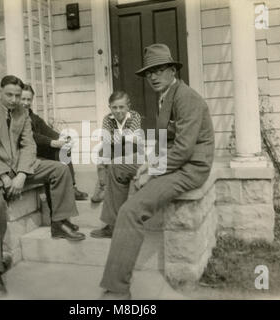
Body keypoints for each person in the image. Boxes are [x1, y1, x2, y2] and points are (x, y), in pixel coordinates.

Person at [92, 44, 215, 298]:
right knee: (117, 168)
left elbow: (182, 151)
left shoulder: (186, 98)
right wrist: (148, 163)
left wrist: (153, 172)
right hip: (173, 161)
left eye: (160, 70)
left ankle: (118, 289)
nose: (154, 77)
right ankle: (113, 226)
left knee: (132, 210)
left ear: (172, 70)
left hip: (190, 168)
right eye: (150, 73)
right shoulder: (166, 96)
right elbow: (163, 142)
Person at [0, 75, 86, 298]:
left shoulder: (23, 114)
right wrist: (7, 178)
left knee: (60, 169)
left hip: (20, 167)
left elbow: (28, 146)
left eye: (18, 95)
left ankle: (59, 222)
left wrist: (23, 174)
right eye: (10, 95)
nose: (15, 100)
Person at [20, 84, 88, 201]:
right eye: (23, 99)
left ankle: (71, 187)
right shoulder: (16, 118)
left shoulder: (34, 118)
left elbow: (48, 131)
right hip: (25, 154)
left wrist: (62, 139)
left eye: (28, 99)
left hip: (39, 151)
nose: (26, 103)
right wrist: (51, 142)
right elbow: (31, 136)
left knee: (63, 149)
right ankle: (66, 189)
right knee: (57, 151)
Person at [90, 91, 142, 204]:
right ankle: (103, 187)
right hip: (113, 148)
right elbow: (106, 138)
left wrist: (118, 137)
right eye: (114, 107)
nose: (118, 111)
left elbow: (131, 136)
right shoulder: (107, 118)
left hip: (131, 148)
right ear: (110, 107)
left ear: (128, 106)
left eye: (121, 107)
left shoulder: (135, 116)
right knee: (103, 151)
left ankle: (129, 185)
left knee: (128, 146)